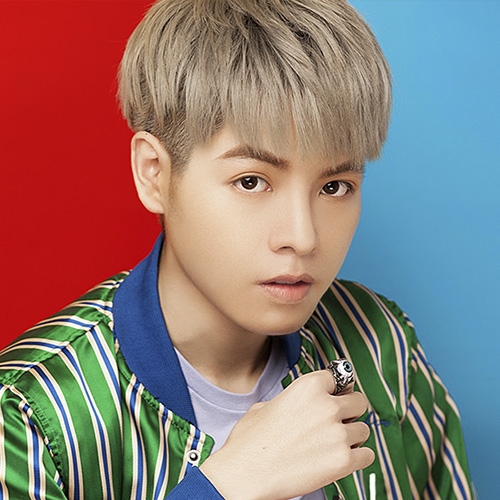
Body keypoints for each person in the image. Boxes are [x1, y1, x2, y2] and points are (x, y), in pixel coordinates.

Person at [0, 0, 474, 498]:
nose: (303, 237)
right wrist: (228, 486)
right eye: (251, 181)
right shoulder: (31, 413)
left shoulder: (381, 345)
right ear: (154, 173)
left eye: (334, 186)